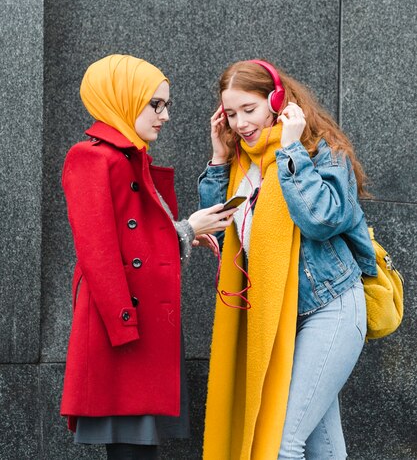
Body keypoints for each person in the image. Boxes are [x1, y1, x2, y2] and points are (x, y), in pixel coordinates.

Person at [198, 59, 378, 460]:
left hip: (329, 308)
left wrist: (292, 150)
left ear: (276, 101)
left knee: (280, 444)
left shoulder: (320, 153)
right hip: (279, 322)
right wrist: (216, 160)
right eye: (231, 113)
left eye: (250, 109)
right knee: (323, 446)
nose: (241, 123)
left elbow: (322, 220)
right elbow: (215, 227)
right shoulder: (240, 163)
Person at [60, 54, 237, 460]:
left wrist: (179, 236)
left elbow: (136, 246)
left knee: (139, 451)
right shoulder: (91, 158)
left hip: (140, 328)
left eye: (166, 105)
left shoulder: (130, 158)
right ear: (122, 99)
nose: (165, 115)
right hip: (121, 329)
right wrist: (187, 228)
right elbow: (99, 253)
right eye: (155, 104)